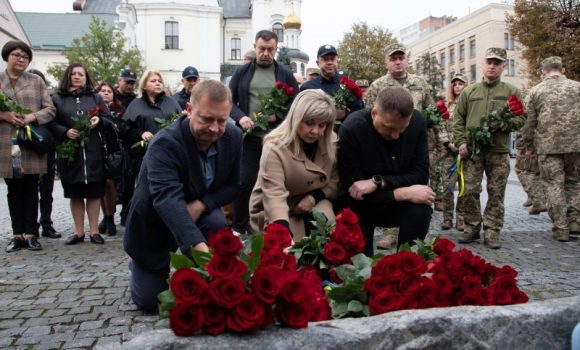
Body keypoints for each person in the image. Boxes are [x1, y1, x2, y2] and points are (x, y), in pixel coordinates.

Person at [123, 80, 242, 312]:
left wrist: (202, 204)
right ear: (188, 110)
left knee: (217, 220)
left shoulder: (233, 137)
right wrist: (208, 259)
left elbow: (234, 186)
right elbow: (168, 201)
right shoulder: (165, 143)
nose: (215, 128)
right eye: (207, 119)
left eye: (222, 120)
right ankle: (142, 266)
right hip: (154, 222)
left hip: (199, 216)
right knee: (150, 302)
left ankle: (193, 269)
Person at [337, 86, 432, 257]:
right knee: (361, 270)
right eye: (389, 128)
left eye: (402, 129)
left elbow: (421, 174)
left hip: (395, 205)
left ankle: (407, 266)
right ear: (374, 113)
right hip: (361, 208)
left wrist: (378, 182)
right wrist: (402, 192)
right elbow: (353, 193)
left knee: (421, 208)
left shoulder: (417, 123)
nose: (396, 135)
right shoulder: (352, 129)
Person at [452, 48, 526, 249]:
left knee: (496, 192)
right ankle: (472, 228)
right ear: (482, 65)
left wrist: (503, 125)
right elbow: (457, 120)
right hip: (473, 151)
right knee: (470, 191)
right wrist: (461, 143)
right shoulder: (469, 92)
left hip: (499, 151)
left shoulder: (511, 91)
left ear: (503, 66)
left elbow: (522, 118)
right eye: (489, 62)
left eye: (497, 63)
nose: (492, 66)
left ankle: (492, 231)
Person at [228, 30, 299, 236]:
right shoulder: (242, 73)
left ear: (276, 50)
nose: (265, 53)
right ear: (255, 47)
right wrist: (240, 117)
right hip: (250, 138)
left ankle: (276, 225)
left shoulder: (285, 74)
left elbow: (296, 104)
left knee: (277, 182)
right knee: (245, 180)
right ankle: (240, 227)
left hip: (277, 138)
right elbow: (229, 101)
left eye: (270, 49)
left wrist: (278, 116)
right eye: (262, 48)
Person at [365, 43, 435, 250]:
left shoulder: (421, 84)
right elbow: (371, 117)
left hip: (414, 144)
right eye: (393, 58)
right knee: (388, 182)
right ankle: (390, 233)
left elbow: (432, 113)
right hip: (387, 143)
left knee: (417, 182)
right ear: (387, 62)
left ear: (406, 60)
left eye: (401, 58)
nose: (397, 62)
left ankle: (420, 230)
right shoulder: (378, 86)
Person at [249, 89, 339, 241]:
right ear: (295, 119)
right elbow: (274, 196)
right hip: (274, 208)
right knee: (289, 255)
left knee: (326, 236)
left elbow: (334, 180)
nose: (315, 131)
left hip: (314, 201)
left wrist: (314, 197)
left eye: (322, 125)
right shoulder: (274, 147)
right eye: (309, 123)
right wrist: (283, 234)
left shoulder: (331, 141)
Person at [50, 63, 115, 245]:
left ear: (86, 77)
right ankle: (78, 232)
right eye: (74, 74)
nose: (77, 77)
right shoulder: (57, 99)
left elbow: (109, 120)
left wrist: (99, 120)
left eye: (81, 74)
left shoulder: (95, 97)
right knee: (75, 193)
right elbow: (51, 122)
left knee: (94, 192)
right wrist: (65, 132)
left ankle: (94, 231)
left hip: (93, 152)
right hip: (71, 153)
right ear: (68, 76)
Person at [1, 40, 56, 252]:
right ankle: (17, 234)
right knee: (13, 190)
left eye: (25, 56)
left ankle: (32, 234)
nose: (21, 59)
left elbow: (49, 109)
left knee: (32, 189)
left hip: (31, 142)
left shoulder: (35, 81)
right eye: (16, 55)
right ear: (7, 56)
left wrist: (31, 117)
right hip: (7, 142)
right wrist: (4, 115)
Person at [521, 56, 580, 241]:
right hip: (576, 145)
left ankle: (561, 228)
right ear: (562, 70)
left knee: (553, 185)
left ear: (543, 72)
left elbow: (528, 123)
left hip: (548, 147)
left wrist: (528, 145)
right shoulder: (577, 87)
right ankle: (574, 220)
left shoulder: (535, 91)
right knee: (574, 183)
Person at [121, 70, 181, 224]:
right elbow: (125, 129)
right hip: (142, 154)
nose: (157, 83)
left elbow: (181, 124)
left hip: (169, 152)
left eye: (160, 81)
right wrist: (140, 133)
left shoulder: (172, 102)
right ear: (145, 86)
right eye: (153, 81)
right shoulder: (136, 104)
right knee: (145, 188)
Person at [26, 69, 61, 239]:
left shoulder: (49, 101)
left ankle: (46, 223)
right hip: (27, 148)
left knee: (46, 189)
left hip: (46, 147)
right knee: (29, 189)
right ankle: (30, 226)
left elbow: (54, 122)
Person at [300, 44, 364, 128]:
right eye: (325, 59)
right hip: (316, 136)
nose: (329, 62)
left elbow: (359, 113)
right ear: (318, 63)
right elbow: (300, 114)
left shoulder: (348, 86)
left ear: (337, 61)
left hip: (342, 135)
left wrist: (345, 115)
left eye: (332, 59)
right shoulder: (308, 87)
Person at [96, 82, 126, 236]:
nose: (106, 93)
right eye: (103, 91)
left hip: (113, 151)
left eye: (109, 91)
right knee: (101, 183)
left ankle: (110, 217)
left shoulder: (119, 110)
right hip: (98, 150)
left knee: (109, 183)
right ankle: (105, 216)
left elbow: (123, 129)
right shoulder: (93, 111)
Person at [439, 73, 467, 231]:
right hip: (449, 152)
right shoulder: (446, 106)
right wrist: (449, 143)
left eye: (460, 84)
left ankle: (461, 218)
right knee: (447, 185)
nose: (457, 86)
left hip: (465, 151)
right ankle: (447, 218)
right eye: (455, 84)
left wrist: (464, 144)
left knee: (464, 186)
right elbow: (440, 127)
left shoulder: (470, 105)